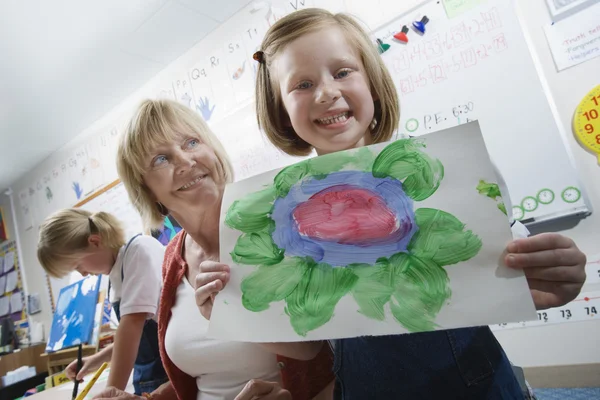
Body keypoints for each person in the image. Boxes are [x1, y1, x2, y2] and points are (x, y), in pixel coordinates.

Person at [250, 8, 587, 399]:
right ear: (281, 111)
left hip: (477, 384)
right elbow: (306, 344)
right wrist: (224, 308)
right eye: (302, 84)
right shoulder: (284, 212)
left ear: (372, 83)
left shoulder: (448, 170)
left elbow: (506, 270)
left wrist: (552, 277)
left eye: (342, 72)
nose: (326, 92)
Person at [93, 98, 334, 400]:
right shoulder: (171, 258)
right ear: (146, 190)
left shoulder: (278, 224)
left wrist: (237, 318)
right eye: (160, 159)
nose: (184, 161)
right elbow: (201, 380)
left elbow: (320, 347)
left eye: (191, 142)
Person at [37, 209, 168, 394]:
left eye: (77, 266)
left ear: (95, 242)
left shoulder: (139, 251)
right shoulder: (115, 275)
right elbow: (139, 339)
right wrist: (96, 360)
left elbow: (132, 328)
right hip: (149, 379)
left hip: (168, 376)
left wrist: (111, 392)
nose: (82, 273)